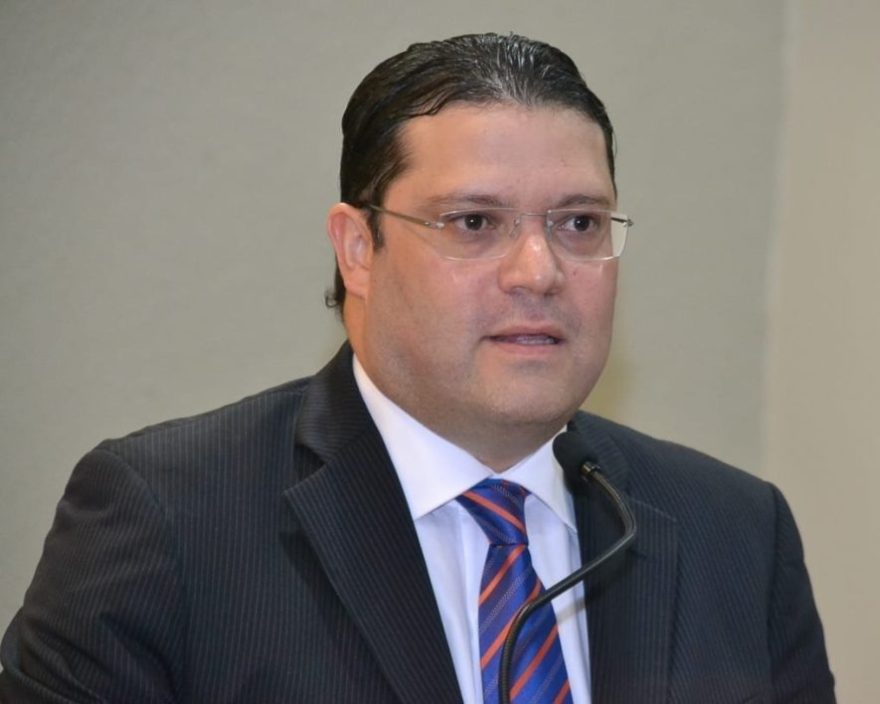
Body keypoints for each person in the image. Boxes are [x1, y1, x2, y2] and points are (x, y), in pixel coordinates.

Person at [0, 33, 834, 703]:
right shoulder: (168, 518)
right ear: (358, 249)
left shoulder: (736, 530)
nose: (539, 271)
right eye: (475, 222)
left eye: (579, 223)